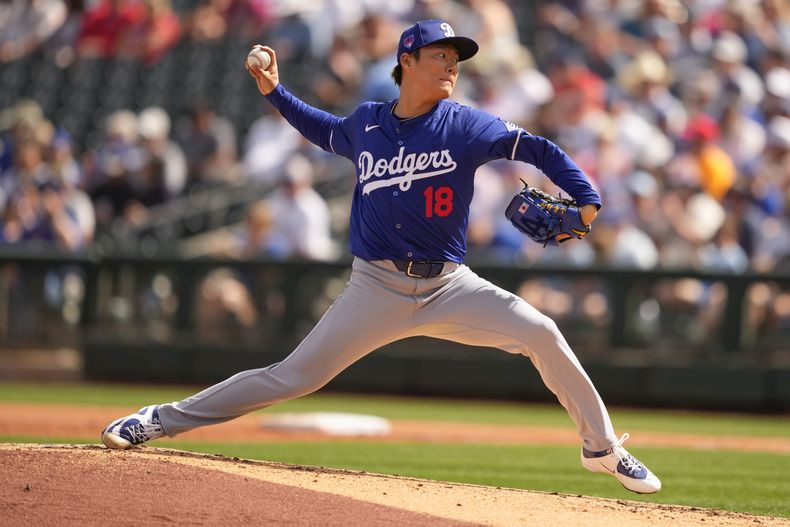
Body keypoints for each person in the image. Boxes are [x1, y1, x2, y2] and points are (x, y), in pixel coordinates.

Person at [101, 19, 661, 495]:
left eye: (456, 60)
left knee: (541, 332)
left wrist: (586, 198)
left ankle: (602, 449)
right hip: (375, 287)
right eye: (440, 56)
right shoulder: (366, 123)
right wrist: (274, 92)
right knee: (291, 377)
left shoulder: (466, 123)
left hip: (450, 285)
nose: (451, 67)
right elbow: (321, 129)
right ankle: (158, 420)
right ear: (407, 60)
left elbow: (538, 149)